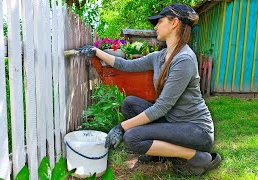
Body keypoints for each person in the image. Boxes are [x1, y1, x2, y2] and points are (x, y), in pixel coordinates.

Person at [79, 3, 221, 176]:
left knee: (132, 137)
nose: (155, 26)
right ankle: (158, 152)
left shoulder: (184, 59)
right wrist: (96, 52)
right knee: (129, 104)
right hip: (173, 122)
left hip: (196, 131)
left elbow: (161, 107)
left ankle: (198, 157)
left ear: (174, 23)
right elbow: (125, 65)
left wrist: (121, 127)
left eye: (159, 21)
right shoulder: (160, 56)